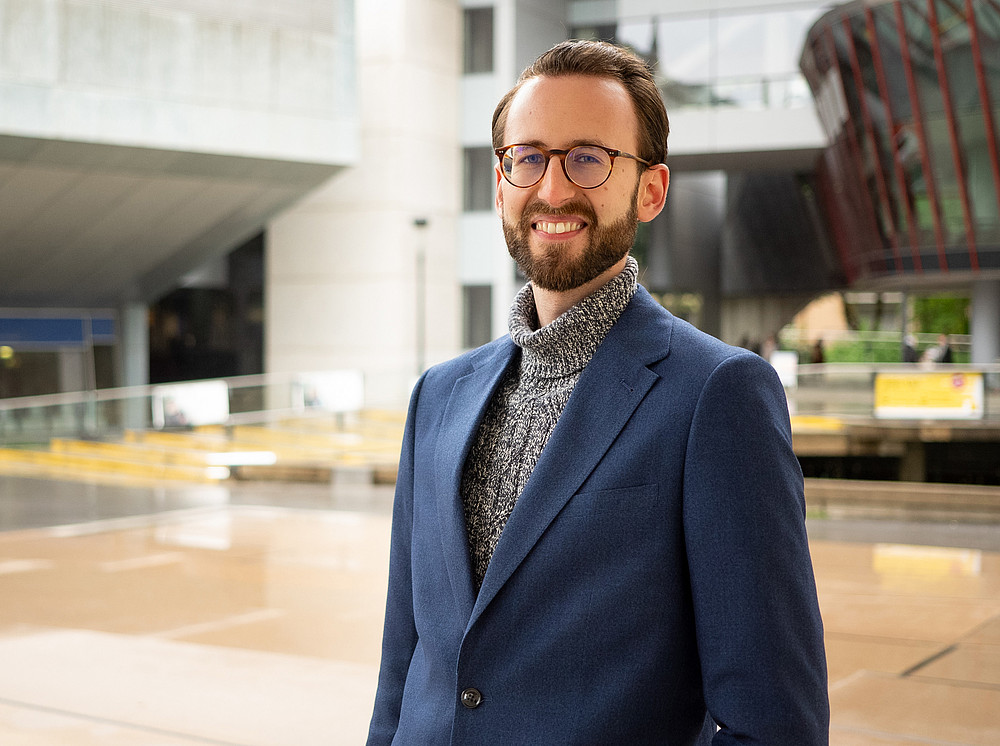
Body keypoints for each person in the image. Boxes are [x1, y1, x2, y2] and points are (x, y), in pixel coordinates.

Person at [368, 40, 829, 744]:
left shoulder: (718, 395)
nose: (553, 189)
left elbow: (775, 723)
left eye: (588, 157)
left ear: (651, 188)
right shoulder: (437, 397)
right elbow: (403, 673)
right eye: (528, 157)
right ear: (500, 183)